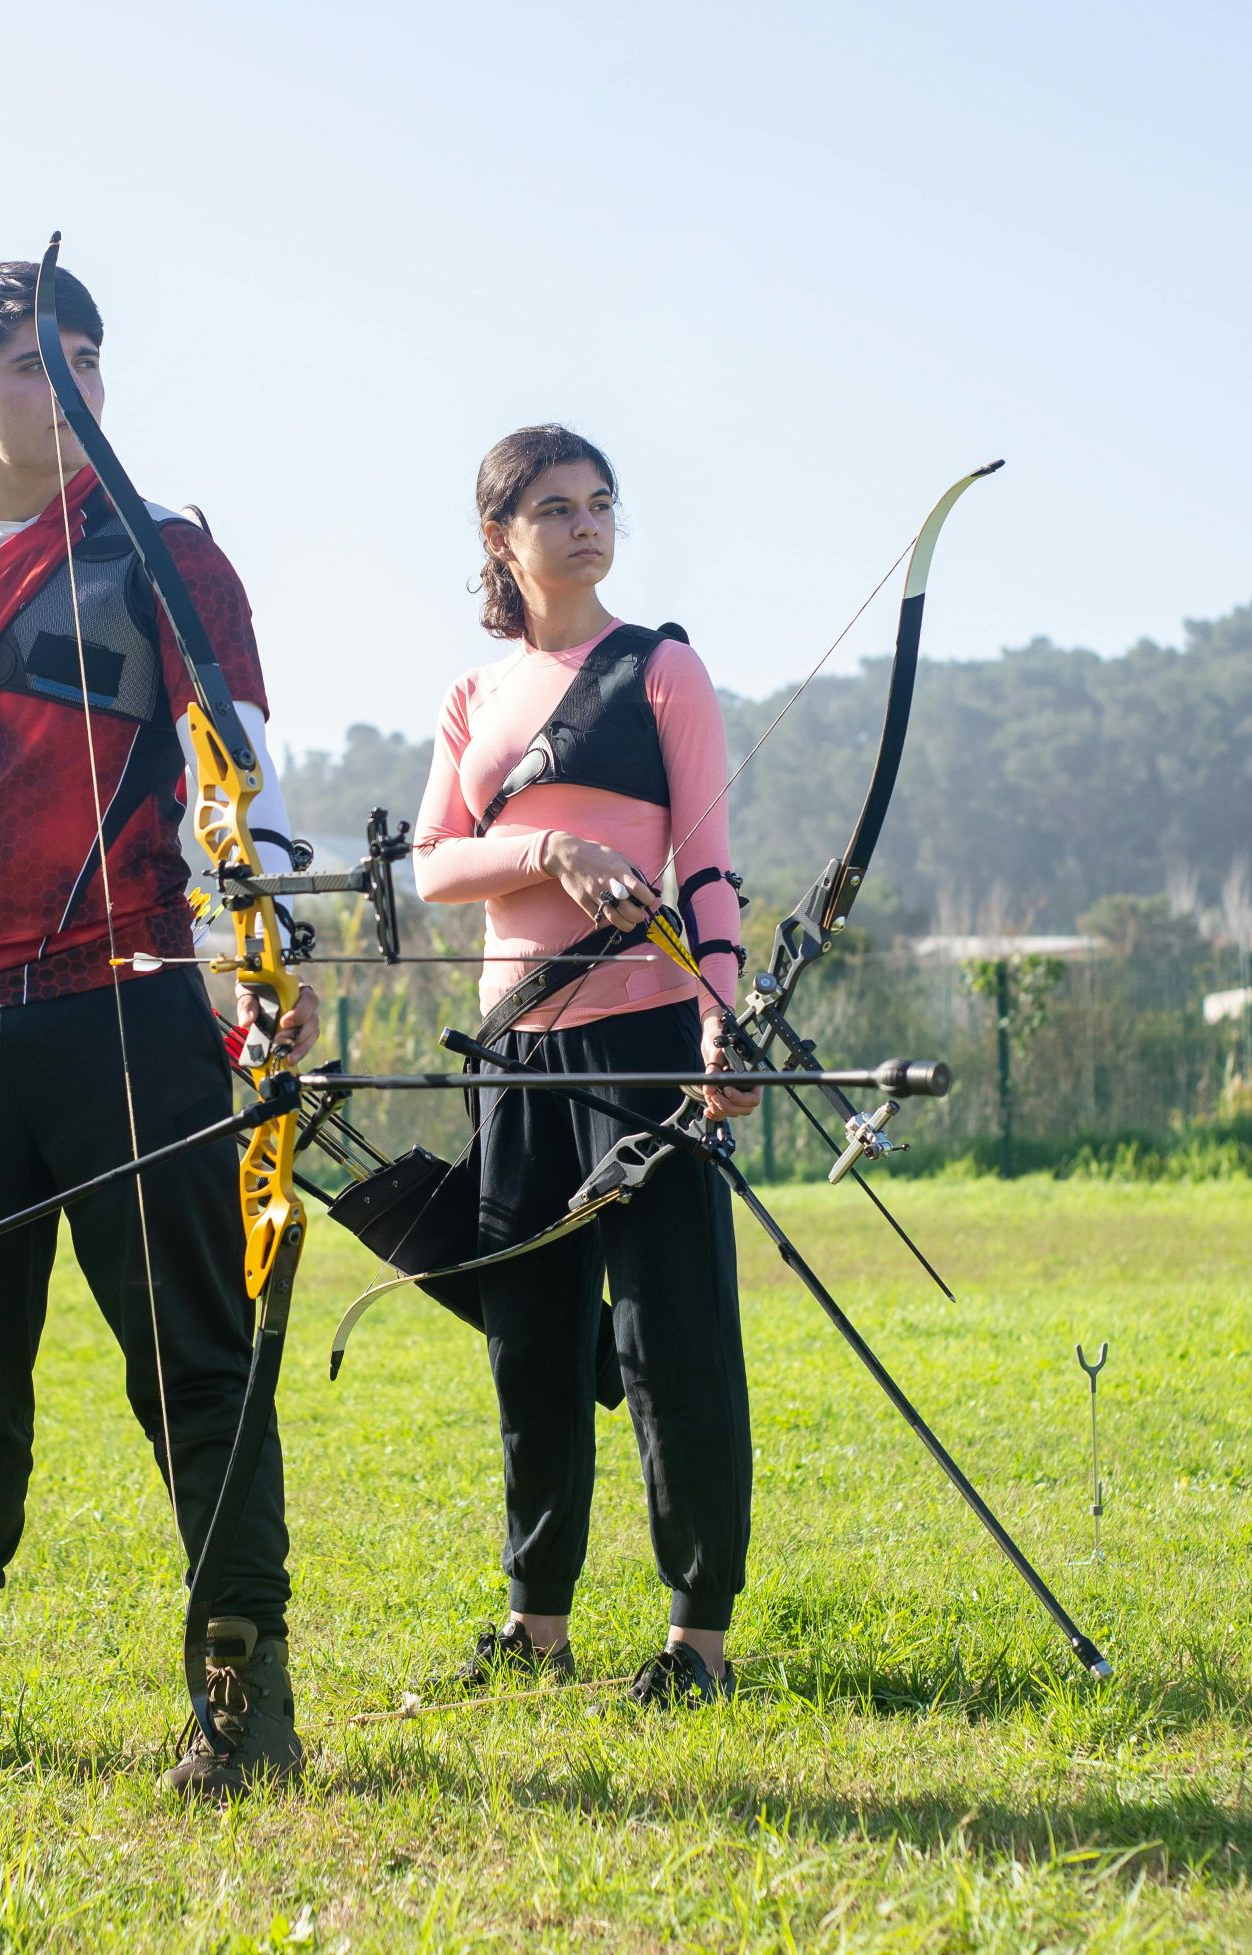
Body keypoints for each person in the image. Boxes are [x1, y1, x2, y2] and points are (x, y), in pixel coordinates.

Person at [0, 257, 319, 1795]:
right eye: (33, 364)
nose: (71, 389)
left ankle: (245, 1692)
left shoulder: (165, 559)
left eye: (87, 359)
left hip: (129, 998)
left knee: (195, 1363)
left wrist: (264, 967)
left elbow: (249, 782)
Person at [409, 424, 758, 1706]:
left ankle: (697, 1638)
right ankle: (535, 1621)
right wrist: (549, 855)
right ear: (501, 536)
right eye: (553, 507)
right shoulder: (472, 697)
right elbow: (439, 863)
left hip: (646, 1033)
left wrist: (720, 1017)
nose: (585, 523)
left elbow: (708, 864)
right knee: (529, 1338)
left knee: (674, 1334)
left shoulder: (662, 668)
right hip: (513, 1049)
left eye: (599, 501)